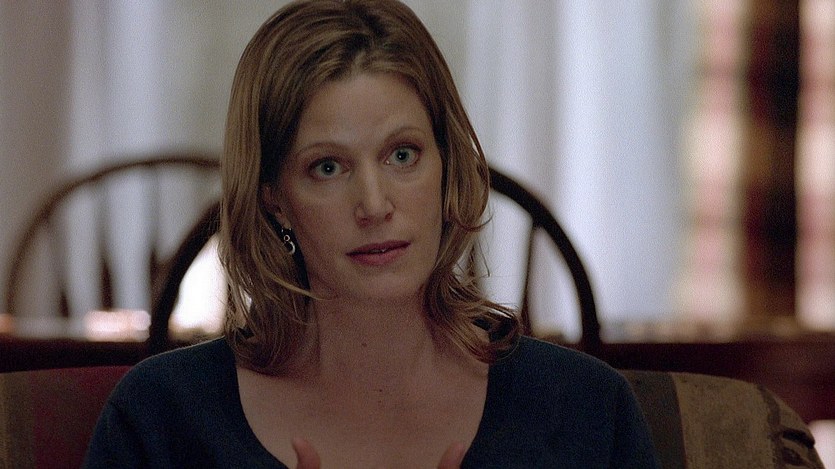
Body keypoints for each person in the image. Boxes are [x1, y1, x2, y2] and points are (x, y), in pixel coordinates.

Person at [84, 1, 660, 467]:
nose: (375, 205)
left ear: (447, 165)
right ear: (274, 199)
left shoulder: (586, 410)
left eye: (402, 155)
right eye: (327, 167)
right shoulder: (162, 417)